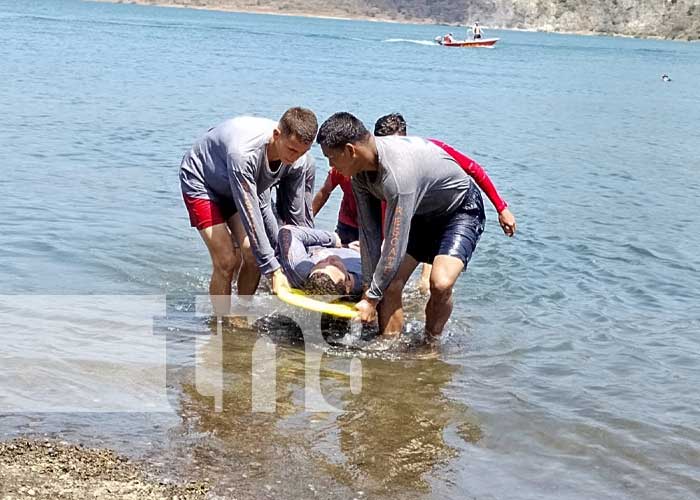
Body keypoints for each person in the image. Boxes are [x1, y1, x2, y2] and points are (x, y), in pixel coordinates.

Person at [316, 112, 516, 339]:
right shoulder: (359, 175)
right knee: (389, 285)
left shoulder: (398, 177)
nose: (330, 164)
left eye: (331, 157)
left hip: (459, 212)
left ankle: (431, 343)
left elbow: (395, 244)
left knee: (439, 283)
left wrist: (372, 299)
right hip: (422, 215)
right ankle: (390, 349)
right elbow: (370, 233)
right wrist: (369, 292)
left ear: (351, 151)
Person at [180, 107, 318, 315]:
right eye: (292, 150)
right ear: (276, 135)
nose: (296, 157)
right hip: (203, 182)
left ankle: (241, 313)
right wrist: (273, 270)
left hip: (238, 189)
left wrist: (299, 263)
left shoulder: (298, 161)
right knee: (226, 260)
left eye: (303, 152)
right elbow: (250, 211)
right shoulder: (244, 154)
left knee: (253, 255)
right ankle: (221, 321)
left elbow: (295, 218)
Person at [277, 225, 362, 297]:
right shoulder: (365, 279)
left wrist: (335, 240)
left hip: (337, 241)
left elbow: (287, 231)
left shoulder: (301, 270)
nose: (328, 258)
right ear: (348, 285)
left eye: (320, 262)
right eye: (335, 264)